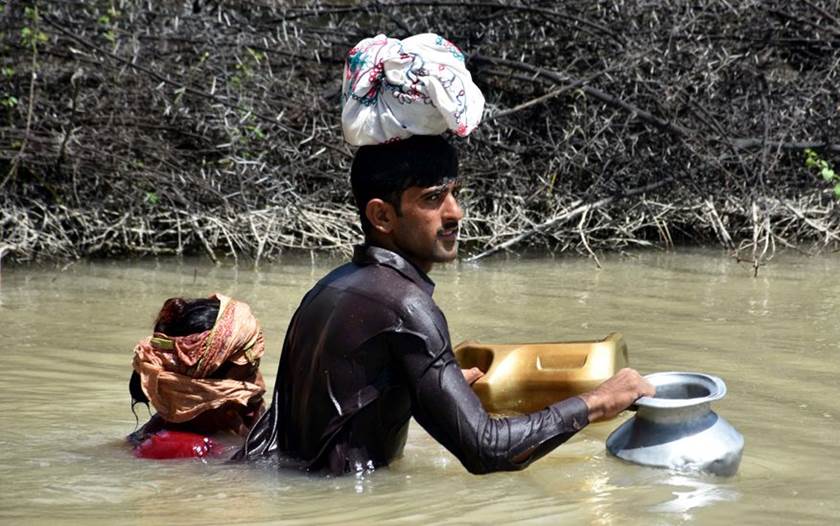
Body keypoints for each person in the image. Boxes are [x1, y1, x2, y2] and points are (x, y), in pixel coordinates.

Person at [235, 33, 655, 475]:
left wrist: (429, 388)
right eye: (434, 199)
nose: (455, 213)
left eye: (455, 193)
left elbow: (318, 427)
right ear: (382, 216)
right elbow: (486, 450)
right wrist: (596, 402)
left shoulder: (328, 289)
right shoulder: (406, 305)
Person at [128, 294, 266, 453]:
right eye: (250, 371)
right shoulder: (190, 448)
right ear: (202, 388)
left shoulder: (159, 431)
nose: (259, 385)